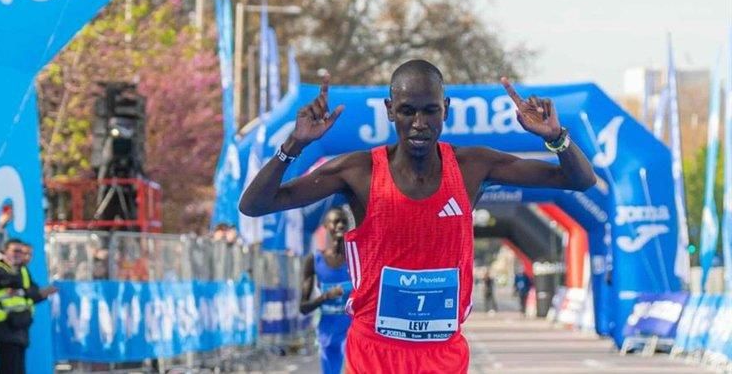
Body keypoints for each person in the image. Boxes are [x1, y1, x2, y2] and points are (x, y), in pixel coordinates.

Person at [238, 61, 596, 374]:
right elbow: (254, 204)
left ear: (446, 109)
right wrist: (294, 145)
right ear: (390, 110)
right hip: (374, 351)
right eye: (408, 111)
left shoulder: (473, 166)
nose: (419, 123)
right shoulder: (358, 171)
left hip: (442, 354)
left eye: (430, 111)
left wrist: (557, 138)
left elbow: (578, 180)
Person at [0, 239, 55, 374]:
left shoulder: (22, 270)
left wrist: (23, 292)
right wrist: (24, 290)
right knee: (7, 367)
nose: (19, 255)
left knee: (18, 368)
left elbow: (34, 292)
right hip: (2, 325)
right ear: (5, 251)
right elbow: (7, 281)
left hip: (19, 325)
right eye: (15, 251)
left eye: (22, 252)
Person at [299, 206, 353, 374]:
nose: (340, 226)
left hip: (351, 331)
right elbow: (304, 307)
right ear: (325, 225)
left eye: (344, 222)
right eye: (336, 221)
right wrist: (326, 296)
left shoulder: (355, 258)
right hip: (326, 333)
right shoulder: (314, 261)